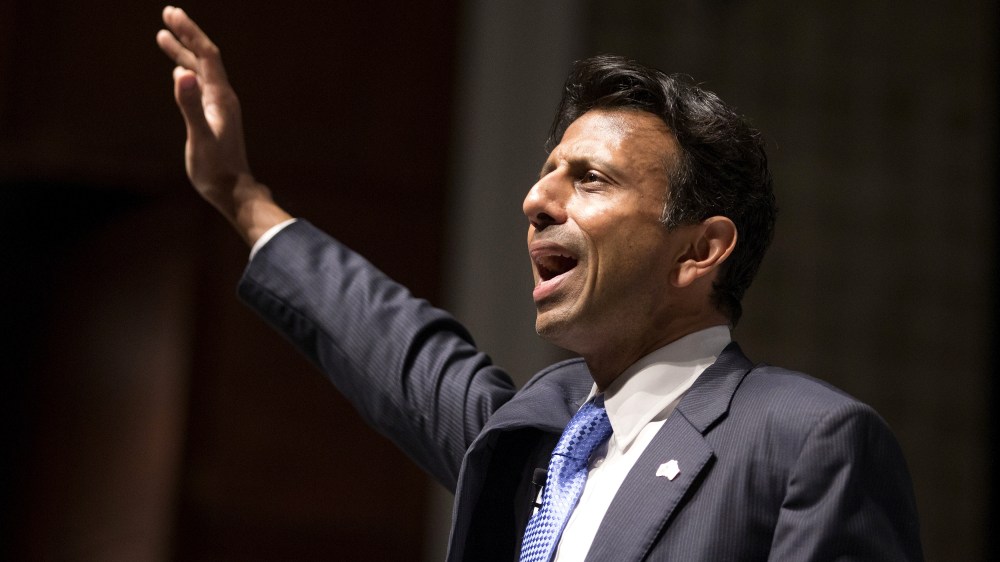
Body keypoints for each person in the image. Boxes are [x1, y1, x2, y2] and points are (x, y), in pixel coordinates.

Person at [156, 6, 923, 561]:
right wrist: (240, 197)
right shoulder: (537, 437)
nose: (536, 200)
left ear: (699, 251)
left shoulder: (804, 441)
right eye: (547, 171)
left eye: (588, 179)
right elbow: (393, 344)